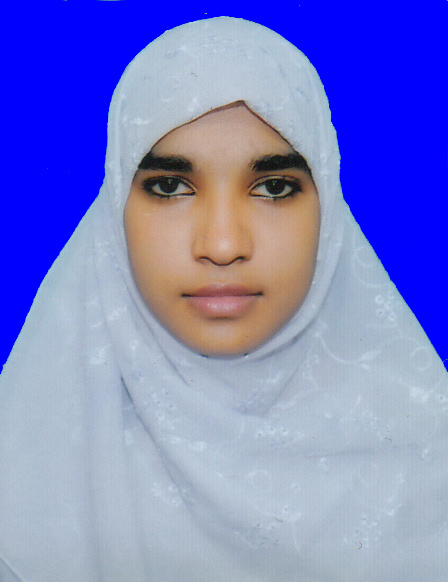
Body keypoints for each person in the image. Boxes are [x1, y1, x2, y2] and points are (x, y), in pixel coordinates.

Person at [0, 17, 446, 582]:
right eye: (169, 187)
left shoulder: (426, 461)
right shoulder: (25, 476)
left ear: (328, 210)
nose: (222, 244)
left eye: (274, 188)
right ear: (115, 212)